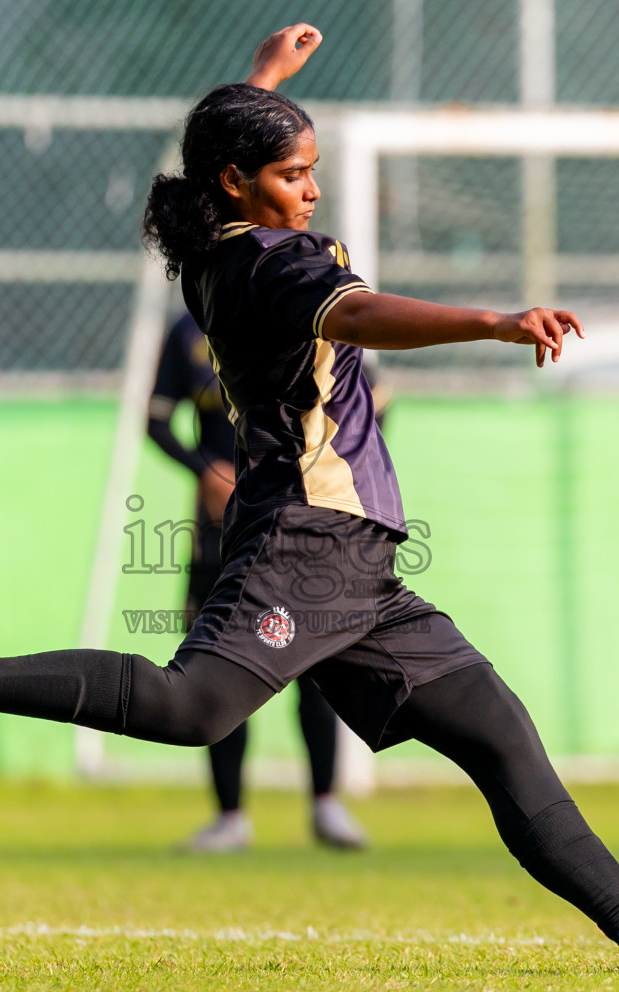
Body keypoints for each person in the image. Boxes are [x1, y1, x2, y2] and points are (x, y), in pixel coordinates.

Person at [0, 24, 619, 972]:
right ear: (235, 181)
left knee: (499, 734)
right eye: (294, 172)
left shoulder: (217, 241)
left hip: (358, 567)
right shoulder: (271, 265)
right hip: (302, 544)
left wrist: (261, 80)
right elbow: (364, 313)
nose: (310, 188)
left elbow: (229, 149)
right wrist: (494, 322)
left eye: (310, 169)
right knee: (191, 710)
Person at [148, 309, 371, 852]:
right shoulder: (187, 331)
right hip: (222, 527)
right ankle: (230, 815)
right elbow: (154, 420)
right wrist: (206, 470)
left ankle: (326, 803)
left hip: (305, 522)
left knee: (318, 660)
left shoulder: (321, 314)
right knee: (213, 662)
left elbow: (371, 415)